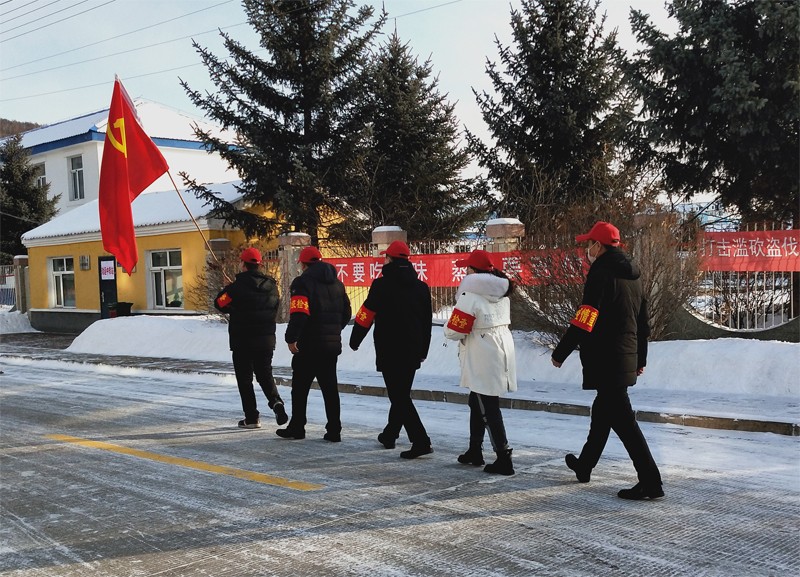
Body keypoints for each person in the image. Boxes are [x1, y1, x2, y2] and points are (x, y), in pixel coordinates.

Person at [551, 221, 664, 500]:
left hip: (607, 358)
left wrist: (561, 351)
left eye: (588, 244)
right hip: (624, 355)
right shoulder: (633, 273)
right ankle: (585, 465)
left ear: (598, 246)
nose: (586, 250)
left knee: (624, 422)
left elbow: (585, 317)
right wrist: (640, 357)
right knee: (603, 412)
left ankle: (651, 481)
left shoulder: (601, 273)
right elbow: (642, 322)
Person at [349, 240, 434, 459]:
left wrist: (355, 339)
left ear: (389, 259)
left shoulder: (381, 285)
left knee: (399, 396)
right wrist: (423, 350)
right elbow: (426, 322)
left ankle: (421, 440)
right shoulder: (421, 287)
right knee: (401, 393)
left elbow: (366, 314)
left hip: (389, 349)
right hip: (413, 349)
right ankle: (390, 434)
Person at [444, 249, 517, 475]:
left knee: (487, 405)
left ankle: (503, 457)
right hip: (500, 349)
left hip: (482, 352)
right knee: (477, 401)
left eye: (467, 268)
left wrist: (447, 328)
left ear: (472, 271)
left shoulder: (470, 296)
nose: (465, 272)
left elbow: (454, 331)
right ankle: (475, 449)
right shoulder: (502, 293)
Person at [277, 246, 351, 442]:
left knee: (300, 389)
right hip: (330, 347)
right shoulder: (337, 284)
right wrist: (333, 330)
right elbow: (347, 313)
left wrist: (291, 338)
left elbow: (299, 313)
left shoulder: (302, 283)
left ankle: (297, 427)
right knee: (330, 389)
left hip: (308, 346)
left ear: (303, 264)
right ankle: (334, 430)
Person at [214, 247, 288, 429]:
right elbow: (273, 308)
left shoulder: (235, 287)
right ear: (259, 265)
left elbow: (219, 304)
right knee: (265, 374)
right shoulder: (272, 286)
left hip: (242, 341)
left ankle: (252, 417)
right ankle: (276, 402)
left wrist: (228, 290)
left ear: (243, 264)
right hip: (266, 339)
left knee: (245, 380)